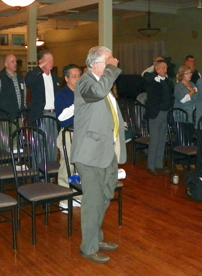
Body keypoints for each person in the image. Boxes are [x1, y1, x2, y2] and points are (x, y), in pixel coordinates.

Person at [71, 46, 126, 264]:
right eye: (109, 60)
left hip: (107, 151)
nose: (115, 61)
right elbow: (97, 93)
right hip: (90, 153)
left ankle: (96, 237)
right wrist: (112, 69)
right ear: (96, 64)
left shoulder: (104, 85)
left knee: (105, 197)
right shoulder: (86, 81)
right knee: (93, 202)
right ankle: (88, 247)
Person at [55, 64, 82, 211]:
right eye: (74, 76)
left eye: (79, 75)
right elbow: (61, 118)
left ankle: (78, 197)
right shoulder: (62, 95)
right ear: (66, 78)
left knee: (80, 168)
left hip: (82, 134)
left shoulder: (82, 93)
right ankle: (64, 200)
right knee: (67, 167)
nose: (77, 78)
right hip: (68, 134)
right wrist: (77, 104)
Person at [143, 60, 174, 175]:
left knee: (162, 140)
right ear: (157, 68)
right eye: (163, 68)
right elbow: (146, 79)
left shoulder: (166, 81)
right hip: (156, 113)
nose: (165, 70)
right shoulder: (151, 79)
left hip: (165, 113)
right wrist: (155, 74)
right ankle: (151, 166)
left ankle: (159, 165)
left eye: (166, 68)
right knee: (155, 140)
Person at [25, 49, 61, 125]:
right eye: (48, 60)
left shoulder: (55, 78)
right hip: (41, 114)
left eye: (52, 60)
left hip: (55, 113)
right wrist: (39, 67)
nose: (51, 62)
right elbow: (28, 81)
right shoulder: (36, 76)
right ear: (41, 61)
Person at [0, 54, 26, 119]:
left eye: (15, 61)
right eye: (12, 62)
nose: (15, 63)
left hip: (19, 116)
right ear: (6, 64)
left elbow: (24, 97)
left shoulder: (20, 78)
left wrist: (23, 111)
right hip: (4, 116)